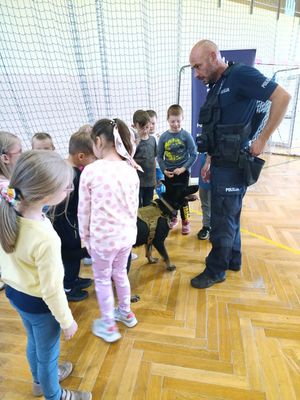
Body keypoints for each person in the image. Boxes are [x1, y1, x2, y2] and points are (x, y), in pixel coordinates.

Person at [189, 39, 291, 289]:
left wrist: (262, 139)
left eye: (198, 66)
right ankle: (233, 259)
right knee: (229, 214)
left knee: (223, 219)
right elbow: (217, 127)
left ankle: (216, 270)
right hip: (221, 162)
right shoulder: (217, 84)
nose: (196, 73)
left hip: (234, 165)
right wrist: (209, 161)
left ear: (213, 56)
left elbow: (282, 96)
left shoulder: (241, 75)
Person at [0, 150, 92, 400]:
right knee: (49, 354)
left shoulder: (7, 209)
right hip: (41, 305)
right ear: (45, 195)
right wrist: (67, 321)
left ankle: (39, 381)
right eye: (67, 188)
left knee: (35, 342)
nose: (69, 191)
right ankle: (54, 394)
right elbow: (52, 289)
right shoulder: (46, 238)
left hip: (16, 296)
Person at [78, 118, 139, 343]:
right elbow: (134, 207)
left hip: (103, 241)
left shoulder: (91, 171)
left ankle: (109, 325)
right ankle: (126, 313)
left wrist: (85, 237)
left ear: (97, 141)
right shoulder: (131, 170)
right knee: (120, 274)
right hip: (126, 237)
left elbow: (83, 210)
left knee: (102, 280)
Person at [52, 128, 96, 302]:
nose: (94, 161)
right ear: (81, 157)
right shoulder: (76, 175)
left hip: (64, 220)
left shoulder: (65, 166)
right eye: (93, 158)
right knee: (71, 254)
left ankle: (74, 279)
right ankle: (67, 287)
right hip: (67, 222)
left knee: (74, 253)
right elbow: (80, 202)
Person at [157, 104, 198, 235]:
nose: (175, 124)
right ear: (167, 120)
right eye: (172, 121)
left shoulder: (186, 135)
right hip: (169, 174)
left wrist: (183, 168)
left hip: (183, 174)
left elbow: (194, 155)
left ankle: (185, 221)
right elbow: (159, 156)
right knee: (171, 198)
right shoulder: (163, 137)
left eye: (178, 121)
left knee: (183, 198)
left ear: (182, 119)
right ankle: (173, 218)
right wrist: (164, 170)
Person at [0, 131, 22, 291]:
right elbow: (21, 206)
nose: (22, 154)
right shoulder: (5, 186)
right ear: (5, 158)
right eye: (19, 151)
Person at [132, 109, 157, 207]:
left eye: (147, 127)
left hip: (150, 181)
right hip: (137, 182)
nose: (145, 131)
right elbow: (129, 159)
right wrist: (135, 144)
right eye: (142, 128)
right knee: (137, 206)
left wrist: (155, 179)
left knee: (148, 206)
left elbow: (153, 158)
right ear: (135, 126)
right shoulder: (133, 142)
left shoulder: (153, 140)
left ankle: (147, 222)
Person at [146, 109, 166, 198]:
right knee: (148, 192)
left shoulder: (159, 137)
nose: (151, 126)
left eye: (153, 123)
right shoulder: (142, 137)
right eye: (149, 123)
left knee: (161, 189)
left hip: (158, 168)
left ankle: (165, 207)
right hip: (147, 170)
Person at [197, 153, 211, 240]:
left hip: (218, 175)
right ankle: (206, 227)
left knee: (215, 206)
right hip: (204, 178)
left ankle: (216, 230)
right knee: (205, 204)